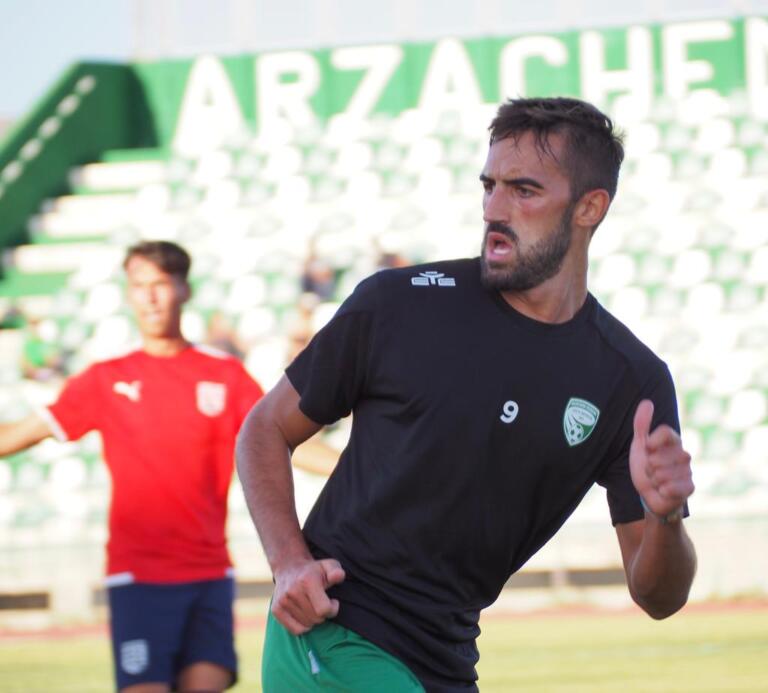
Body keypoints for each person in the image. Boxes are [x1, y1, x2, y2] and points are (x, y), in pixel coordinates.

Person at [235, 97, 697, 692]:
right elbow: (263, 428)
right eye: (489, 186)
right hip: (335, 629)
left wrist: (664, 522)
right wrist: (287, 562)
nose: (495, 209)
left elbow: (659, 598)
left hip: (445, 658)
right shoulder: (398, 305)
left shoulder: (631, 380)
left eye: (524, 190)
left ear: (590, 207)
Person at [0, 241, 264, 693]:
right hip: (139, 577)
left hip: (209, 572)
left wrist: (359, 466)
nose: (149, 297)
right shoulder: (105, 378)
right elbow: (15, 437)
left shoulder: (226, 376)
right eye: (138, 286)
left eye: (160, 284)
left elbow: (282, 442)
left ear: (184, 290)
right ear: (127, 295)